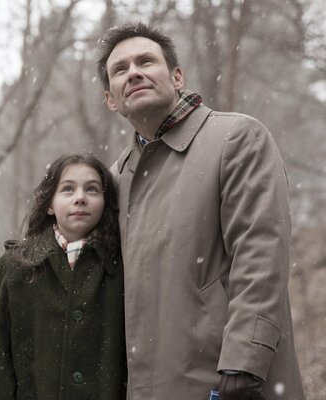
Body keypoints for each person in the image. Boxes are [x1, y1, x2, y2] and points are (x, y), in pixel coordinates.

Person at [96, 22, 305, 400]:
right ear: (111, 98)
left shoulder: (237, 138)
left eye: (146, 61)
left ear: (177, 77)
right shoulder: (113, 179)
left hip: (231, 383)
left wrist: (244, 362)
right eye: (120, 69)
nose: (135, 73)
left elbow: (260, 254)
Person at [0, 153, 126, 400]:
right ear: (50, 204)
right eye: (68, 189)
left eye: (92, 190)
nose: (80, 198)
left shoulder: (123, 268)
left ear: (105, 202)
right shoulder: (13, 270)